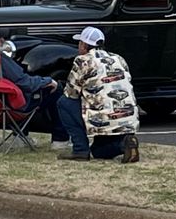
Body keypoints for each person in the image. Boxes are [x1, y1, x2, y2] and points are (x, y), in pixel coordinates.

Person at [59, 25, 140, 161]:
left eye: (79, 43)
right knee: (98, 151)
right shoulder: (118, 58)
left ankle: (80, 150)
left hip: (102, 118)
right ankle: (125, 142)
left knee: (63, 103)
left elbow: (71, 93)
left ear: (84, 45)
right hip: (126, 119)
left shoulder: (83, 61)